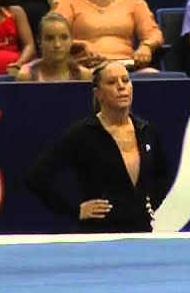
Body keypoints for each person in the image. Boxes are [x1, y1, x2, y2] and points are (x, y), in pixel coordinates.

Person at [26, 62, 172, 233]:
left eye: (125, 80)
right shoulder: (83, 133)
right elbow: (36, 177)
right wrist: (74, 210)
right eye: (111, 82)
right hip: (99, 233)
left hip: (141, 231)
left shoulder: (145, 130)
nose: (121, 87)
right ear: (98, 94)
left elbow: (164, 173)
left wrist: (152, 202)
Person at [15, 12, 91, 82]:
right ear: (39, 42)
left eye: (64, 38)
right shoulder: (27, 76)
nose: (57, 45)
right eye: (49, 38)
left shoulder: (83, 75)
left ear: (71, 40)